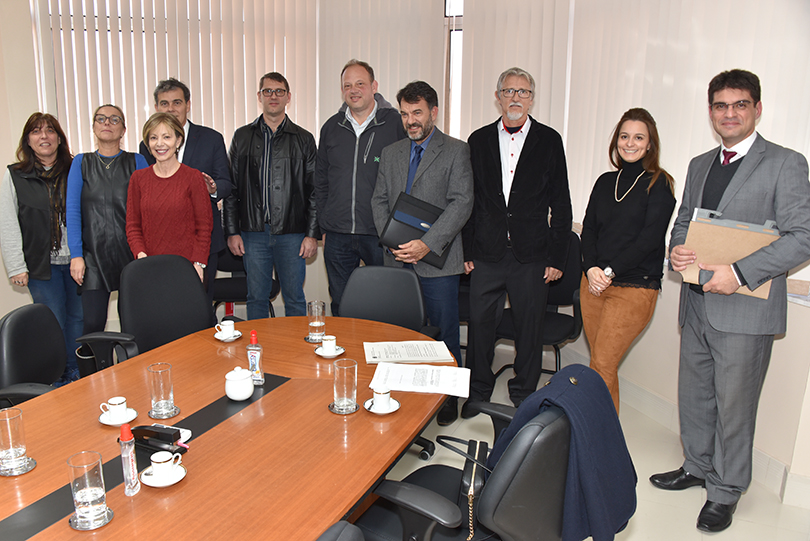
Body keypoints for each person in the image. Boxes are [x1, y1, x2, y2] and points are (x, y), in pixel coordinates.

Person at [650, 69, 810, 533]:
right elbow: (683, 223)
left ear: (757, 109)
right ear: (711, 112)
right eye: (721, 106)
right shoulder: (700, 163)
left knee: (735, 407)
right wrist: (675, 249)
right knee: (695, 395)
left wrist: (738, 273)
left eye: (739, 105)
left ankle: (724, 491)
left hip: (746, 308)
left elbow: (802, 236)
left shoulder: (785, 162)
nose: (730, 113)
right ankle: (696, 467)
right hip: (697, 302)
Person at [462, 67, 572, 418]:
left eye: (523, 92)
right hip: (487, 253)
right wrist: (466, 251)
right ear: (498, 98)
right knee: (480, 327)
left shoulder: (550, 140)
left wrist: (556, 257)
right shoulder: (477, 141)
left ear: (531, 99)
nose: (515, 98)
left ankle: (524, 398)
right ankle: (476, 393)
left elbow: (562, 202)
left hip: (532, 255)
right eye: (508, 91)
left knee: (530, 329)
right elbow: (470, 201)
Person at [372, 81, 473, 425]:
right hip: (397, 260)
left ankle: (447, 401)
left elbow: (462, 202)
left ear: (434, 111)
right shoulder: (392, 152)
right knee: (399, 334)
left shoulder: (457, 150)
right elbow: (379, 200)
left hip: (439, 262)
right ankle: (405, 395)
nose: (410, 120)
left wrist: (427, 243)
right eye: (404, 113)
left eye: (417, 113)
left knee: (444, 333)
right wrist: (393, 242)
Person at [579, 108, 676, 413]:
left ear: (650, 144)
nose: (629, 143)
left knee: (602, 365)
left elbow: (649, 240)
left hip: (634, 287)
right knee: (601, 365)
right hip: (593, 284)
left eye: (638, 137)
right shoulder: (606, 182)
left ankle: (595, 443)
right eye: (624, 136)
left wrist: (609, 270)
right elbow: (590, 228)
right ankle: (605, 440)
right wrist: (591, 268)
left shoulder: (659, 184)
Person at [223, 72, 318, 319]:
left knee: (295, 298)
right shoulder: (242, 137)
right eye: (267, 91)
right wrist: (232, 231)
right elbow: (232, 189)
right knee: (256, 298)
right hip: (253, 233)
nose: (273, 96)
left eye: (279, 91)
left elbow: (315, 191)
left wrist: (311, 235)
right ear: (259, 96)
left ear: (288, 97)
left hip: (293, 233)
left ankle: (295, 354)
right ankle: (259, 354)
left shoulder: (304, 139)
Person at [314, 59, 406, 316]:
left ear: (374, 86)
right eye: (347, 85)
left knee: (386, 304)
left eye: (360, 84)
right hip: (337, 233)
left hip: (381, 233)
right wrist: (324, 224)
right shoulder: (331, 127)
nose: (353, 90)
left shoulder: (395, 124)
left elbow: (412, 175)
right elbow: (321, 180)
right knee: (342, 304)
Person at [0, 113, 81, 384]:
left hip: (78, 261)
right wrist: (16, 266)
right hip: (40, 264)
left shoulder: (77, 168)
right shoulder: (15, 175)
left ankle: (76, 372)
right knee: (53, 323)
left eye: (49, 131)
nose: (43, 137)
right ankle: (55, 379)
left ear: (59, 138)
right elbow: (8, 222)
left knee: (78, 321)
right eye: (36, 132)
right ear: (28, 140)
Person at [67, 105, 149, 368]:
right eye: (101, 119)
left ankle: (133, 373)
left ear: (123, 129)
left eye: (115, 119)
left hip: (132, 253)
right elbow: (73, 210)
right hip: (92, 256)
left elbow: (146, 209)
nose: (107, 123)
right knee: (92, 323)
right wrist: (77, 255)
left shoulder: (137, 161)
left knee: (132, 322)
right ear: (93, 127)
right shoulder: (81, 162)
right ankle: (91, 380)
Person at [138, 78, 232, 302]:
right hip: (160, 243)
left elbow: (227, 184)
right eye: (164, 103)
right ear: (156, 107)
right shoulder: (147, 145)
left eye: (177, 102)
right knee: (163, 307)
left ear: (188, 105)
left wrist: (212, 188)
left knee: (200, 305)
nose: (171, 109)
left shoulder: (211, 138)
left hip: (202, 243)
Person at [126, 113, 212, 277]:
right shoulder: (138, 179)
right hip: (148, 267)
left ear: (178, 140)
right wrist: (141, 255)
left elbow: (204, 226)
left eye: (167, 137)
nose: (160, 144)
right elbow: (133, 225)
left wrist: (198, 263)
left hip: (187, 268)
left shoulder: (193, 177)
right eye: (153, 138)